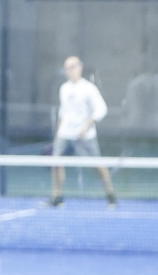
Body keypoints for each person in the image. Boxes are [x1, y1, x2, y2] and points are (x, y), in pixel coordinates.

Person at [48, 56, 117, 208]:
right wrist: (58, 132)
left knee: (98, 165)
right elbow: (63, 112)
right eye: (66, 68)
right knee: (56, 163)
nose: (69, 71)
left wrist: (86, 126)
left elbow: (101, 109)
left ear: (80, 68)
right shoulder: (64, 88)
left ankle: (111, 196)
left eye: (72, 67)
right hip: (65, 133)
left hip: (86, 135)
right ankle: (57, 196)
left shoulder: (89, 88)